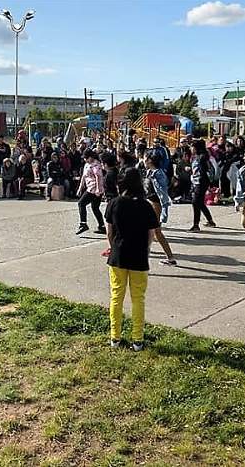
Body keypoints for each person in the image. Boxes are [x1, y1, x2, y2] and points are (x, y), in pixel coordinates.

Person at [104, 168, 158, 352]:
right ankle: (137, 339)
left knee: (116, 296)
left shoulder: (114, 203)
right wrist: (146, 248)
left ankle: (115, 337)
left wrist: (114, 246)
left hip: (118, 255)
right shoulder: (146, 206)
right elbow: (151, 234)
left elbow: (109, 232)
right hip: (139, 256)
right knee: (138, 299)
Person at [188, 140, 216, 232]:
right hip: (197, 182)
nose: (191, 149)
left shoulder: (202, 157)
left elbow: (204, 171)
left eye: (192, 147)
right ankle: (210, 221)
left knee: (195, 202)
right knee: (199, 202)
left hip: (201, 182)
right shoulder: (196, 157)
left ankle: (196, 225)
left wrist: (205, 182)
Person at [76, 150, 106, 235]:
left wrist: (97, 189)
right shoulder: (87, 165)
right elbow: (84, 176)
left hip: (94, 188)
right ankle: (102, 226)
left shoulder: (96, 164)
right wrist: (80, 188)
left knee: (81, 203)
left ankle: (83, 223)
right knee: (95, 207)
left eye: (86, 158)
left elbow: (98, 177)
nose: (85, 160)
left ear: (91, 157)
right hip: (89, 187)